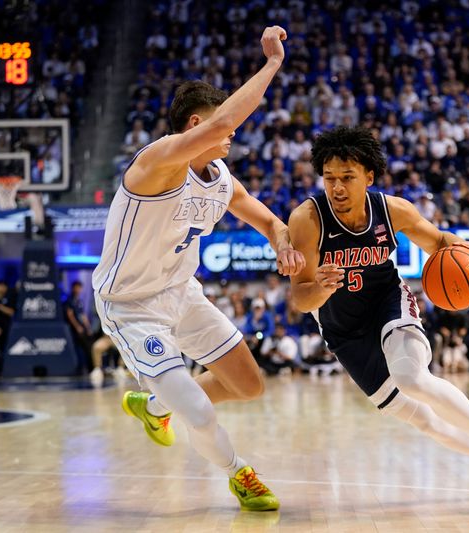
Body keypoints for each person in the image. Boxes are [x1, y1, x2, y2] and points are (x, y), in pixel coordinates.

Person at [92, 26, 304, 512]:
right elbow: (222, 122)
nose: (230, 133)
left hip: (182, 294)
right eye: (218, 125)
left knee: (248, 385)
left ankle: (154, 407)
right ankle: (239, 474)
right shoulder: (157, 161)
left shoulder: (220, 178)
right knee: (200, 410)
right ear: (193, 126)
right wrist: (271, 64)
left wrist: (283, 242)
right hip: (131, 307)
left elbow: (266, 218)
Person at [288, 126, 469, 502]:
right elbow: (300, 298)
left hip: (386, 302)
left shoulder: (392, 210)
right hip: (342, 330)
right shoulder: (308, 220)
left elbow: (439, 241)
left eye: (347, 177)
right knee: (424, 421)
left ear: (369, 176)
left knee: (411, 377)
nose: (338, 188)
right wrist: (321, 288)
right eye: (330, 179)